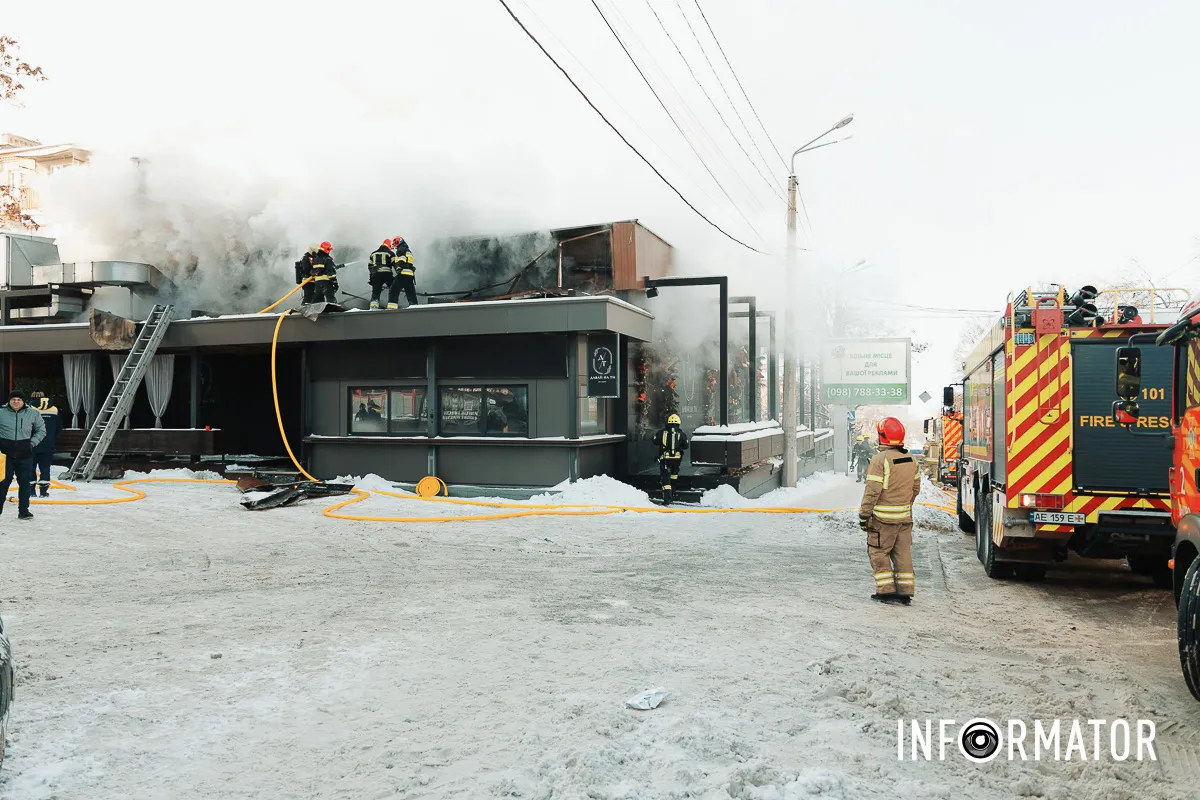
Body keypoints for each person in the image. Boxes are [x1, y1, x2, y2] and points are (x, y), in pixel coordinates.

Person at [859, 417, 921, 604]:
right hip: (904, 519)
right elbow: (915, 488)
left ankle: (885, 591)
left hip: (882, 521)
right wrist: (904, 505)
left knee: (878, 552)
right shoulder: (911, 459)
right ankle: (905, 592)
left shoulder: (880, 460)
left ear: (882, 437)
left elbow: (872, 491)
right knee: (903, 554)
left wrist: (864, 515)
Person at [0, 391, 46, 520]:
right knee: (3, 483)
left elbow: (41, 430)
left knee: (25, 483)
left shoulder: (33, 413)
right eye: (13, 399)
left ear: (23, 402)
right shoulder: (1, 413)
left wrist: (32, 443)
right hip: (5, 454)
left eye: (19, 400)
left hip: (25, 454)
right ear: (9, 401)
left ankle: (24, 511)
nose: (16, 402)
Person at [654, 413, 689, 505]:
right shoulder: (681, 433)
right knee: (674, 476)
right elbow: (686, 446)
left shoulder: (662, 432)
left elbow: (655, 441)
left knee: (665, 477)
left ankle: (667, 498)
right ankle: (672, 494)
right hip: (677, 460)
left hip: (665, 458)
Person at [29, 393, 60, 498]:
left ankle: (31, 491)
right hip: (48, 445)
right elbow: (58, 428)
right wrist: (51, 439)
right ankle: (43, 492)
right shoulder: (54, 410)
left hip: (31, 445)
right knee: (45, 469)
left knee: (30, 468)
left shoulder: (28, 409)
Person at [387, 236, 418, 309]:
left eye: (396, 242)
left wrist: (399, 267)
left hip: (403, 273)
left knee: (393, 290)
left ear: (399, 241)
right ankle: (415, 307)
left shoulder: (401, 249)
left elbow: (402, 259)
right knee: (410, 293)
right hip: (410, 275)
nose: (395, 244)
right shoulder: (407, 250)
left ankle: (392, 308)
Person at [367, 239, 395, 310]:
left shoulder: (373, 253)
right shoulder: (390, 253)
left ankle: (374, 307)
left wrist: (371, 279)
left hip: (376, 275)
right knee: (394, 288)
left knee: (375, 291)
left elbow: (370, 267)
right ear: (388, 245)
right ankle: (392, 305)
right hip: (387, 274)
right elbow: (395, 264)